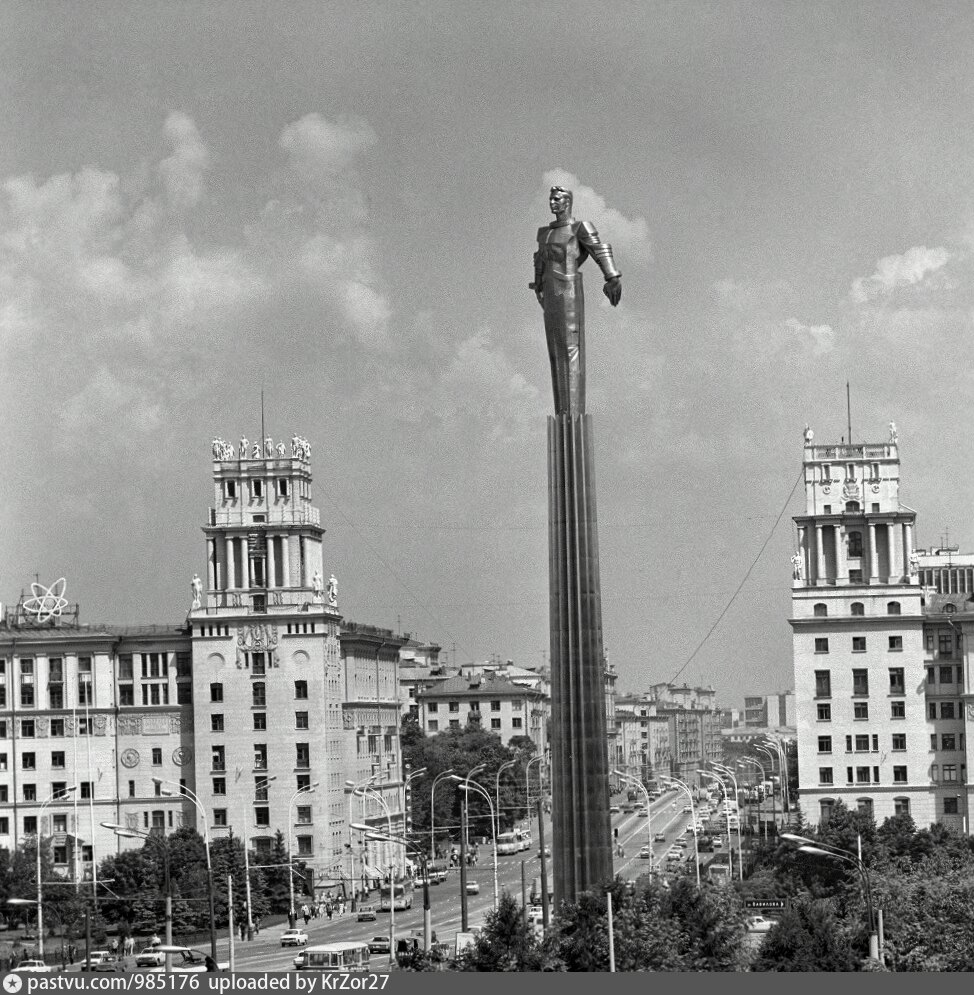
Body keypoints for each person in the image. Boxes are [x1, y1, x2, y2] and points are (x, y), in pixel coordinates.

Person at [531, 185, 622, 417]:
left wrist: (612, 277)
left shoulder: (579, 228)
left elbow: (599, 249)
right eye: (551, 199)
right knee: (555, 351)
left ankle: (573, 415)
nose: (552, 203)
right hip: (550, 293)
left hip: (568, 290)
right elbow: (540, 259)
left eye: (557, 199)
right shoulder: (545, 233)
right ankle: (563, 413)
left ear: (567, 202)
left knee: (571, 348)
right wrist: (538, 285)